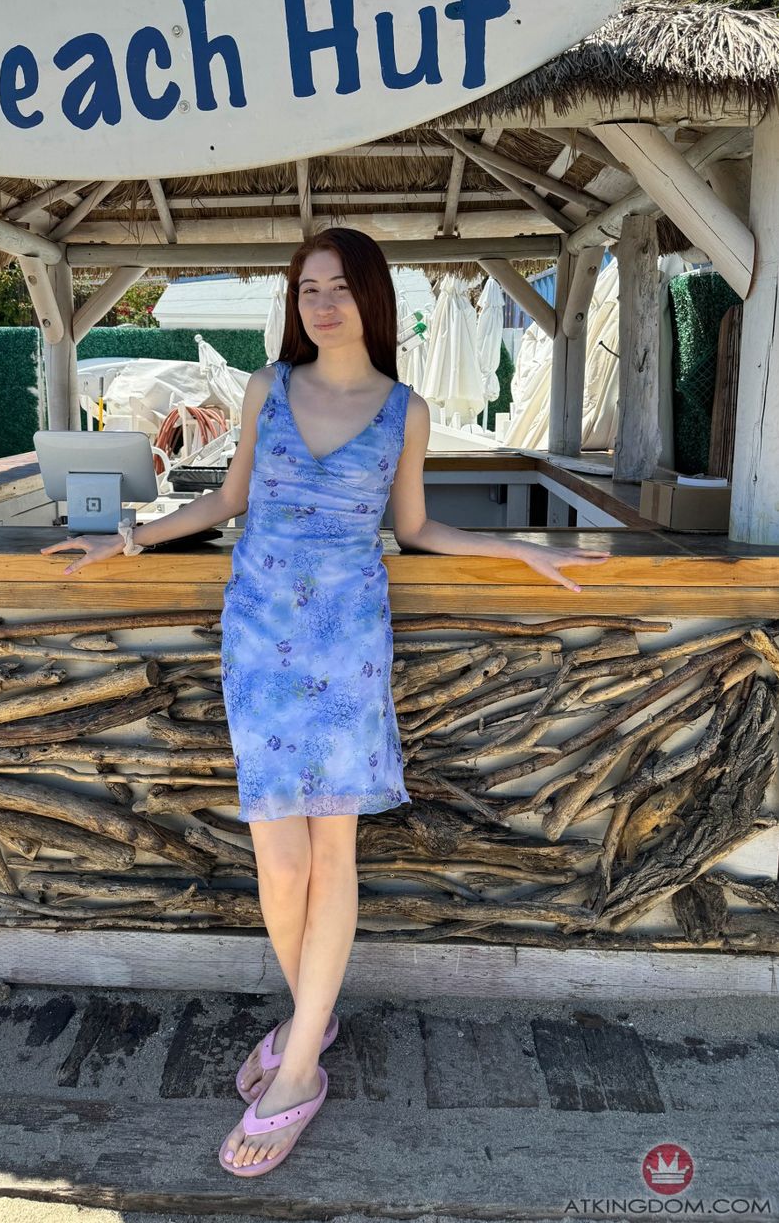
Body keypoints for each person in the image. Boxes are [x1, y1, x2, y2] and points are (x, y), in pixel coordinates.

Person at [41, 228, 610, 1178]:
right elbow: (226, 502)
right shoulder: (265, 387)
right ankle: (311, 1013)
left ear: (370, 298)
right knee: (280, 854)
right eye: (307, 288)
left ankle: (300, 1061)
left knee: (331, 849)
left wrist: (518, 548)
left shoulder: (404, 409)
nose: (322, 303)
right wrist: (126, 537)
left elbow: (416, 527)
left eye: (339, 287)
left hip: (345, 640)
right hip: (259, 634)